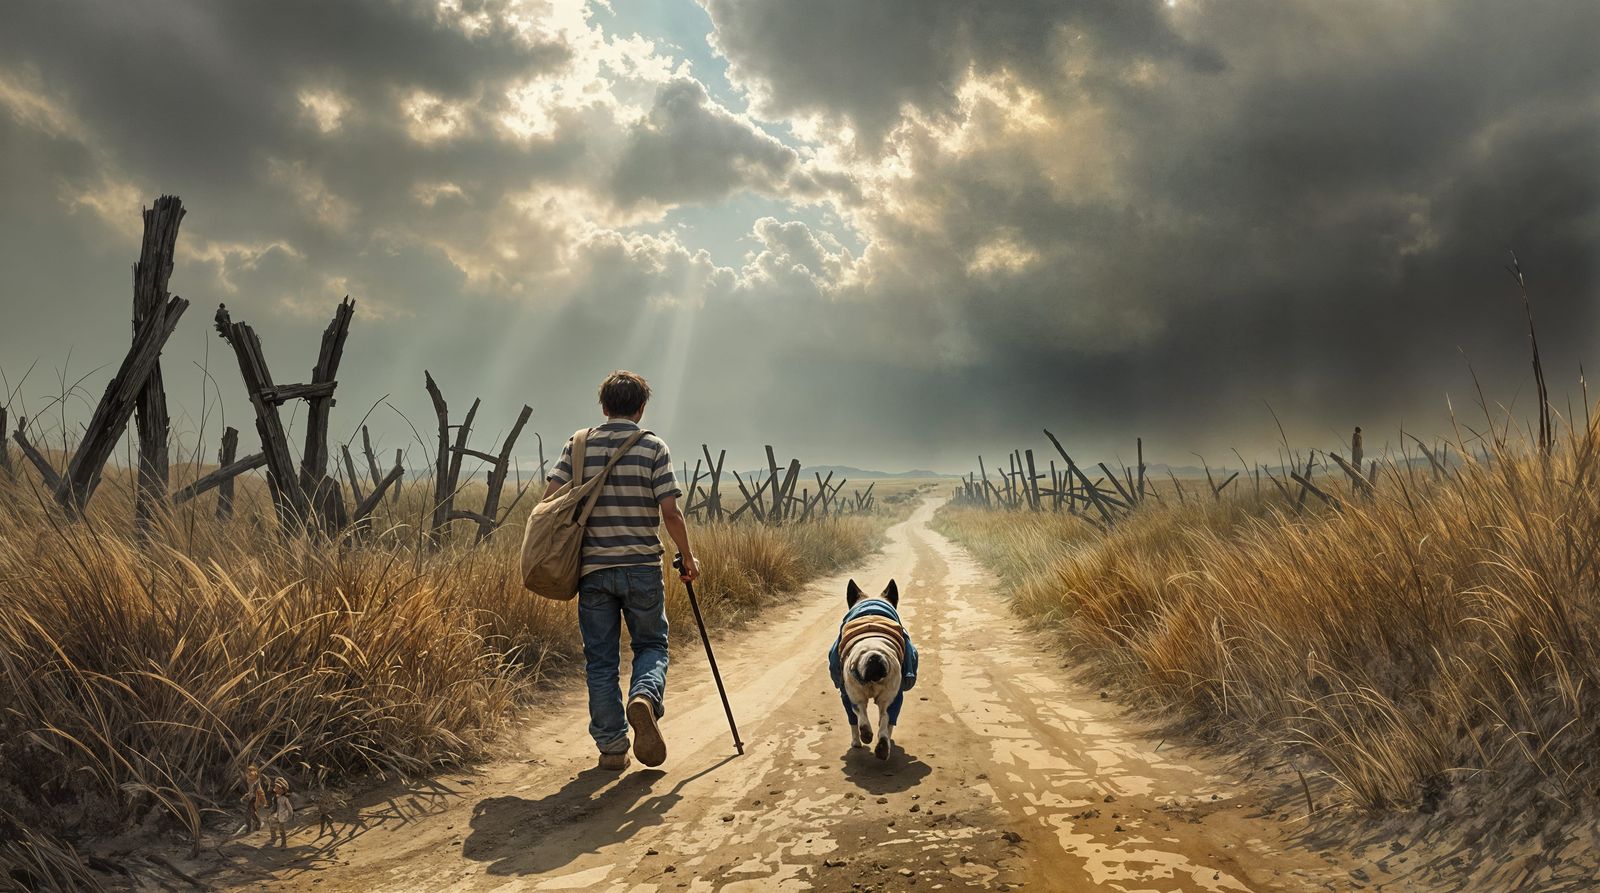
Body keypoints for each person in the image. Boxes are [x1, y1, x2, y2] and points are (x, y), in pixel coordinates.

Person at [545, 370, 699, 771]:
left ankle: (612, 748)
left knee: (600, 661)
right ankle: (644, 697)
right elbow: (671, 512)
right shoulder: (653, 447)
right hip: (642, 568)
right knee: (651, 646)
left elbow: (549, 501)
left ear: (604, 406)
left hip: (592, 571)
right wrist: (688, 558)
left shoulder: (577, 445)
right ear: (641, 407)